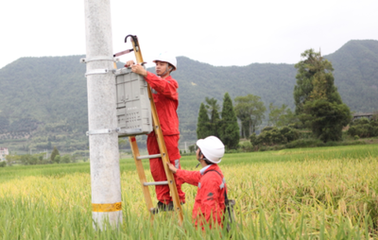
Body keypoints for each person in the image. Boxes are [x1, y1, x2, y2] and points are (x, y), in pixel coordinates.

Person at [126, 52, 185, 211]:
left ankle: (177, 198)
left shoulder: (171, 84)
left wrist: (145, 73)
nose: (158, 66)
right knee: (156, 168)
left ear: (170, 68)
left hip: (168, 131)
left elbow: (161, 86)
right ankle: (164, 201)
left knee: (172, 165)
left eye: (161, 64)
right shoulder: (150, 81)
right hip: (153, 131)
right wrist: (131, 67)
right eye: (156, 64)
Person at [167, 136, 227, 229]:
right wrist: (176, 171)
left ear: (202, 156)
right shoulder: (212, 172)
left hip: (207, 228)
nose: (196, 151)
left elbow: (209, 209)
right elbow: (193, 176)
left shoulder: (210, 179)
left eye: (198, 149)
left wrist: (203, 232)